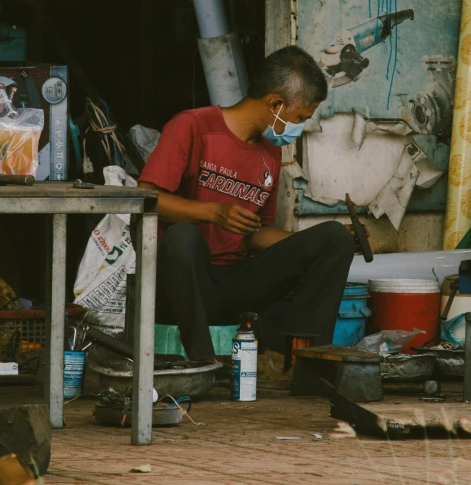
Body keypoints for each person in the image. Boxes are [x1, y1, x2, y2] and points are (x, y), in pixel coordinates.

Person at [138, 46, 355, 361]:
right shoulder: (193, 126)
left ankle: (297, 364)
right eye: (300, 118)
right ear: (275, 103)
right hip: (180, 285)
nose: (300, 127)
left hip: (233, 284)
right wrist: (214, 213)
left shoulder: (271, 151)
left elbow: (256, 232)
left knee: (333, 238)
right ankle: (202, 363)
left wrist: (307, 247)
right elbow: (146, 196)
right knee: (182, 236)